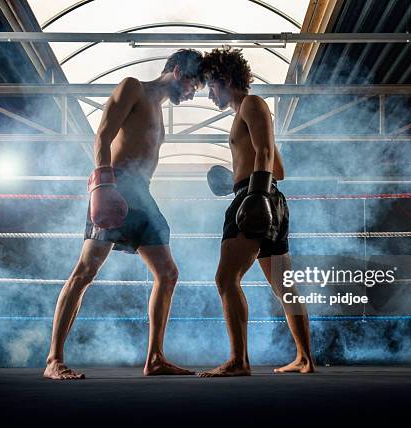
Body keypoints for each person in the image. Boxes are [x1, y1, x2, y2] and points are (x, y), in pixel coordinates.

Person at [44, 49, 204, 379]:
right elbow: (102, 134)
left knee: (168, 273)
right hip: (116, 185)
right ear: (176, 71)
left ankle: (155, 358)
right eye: (193, 84)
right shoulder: (133, 87)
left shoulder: (160, 115)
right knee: (86, 270)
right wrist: (102, 184)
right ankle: (53, 360)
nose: (193, 93)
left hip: (142, 197)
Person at [199, 48, 314, 377]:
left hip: (256, 196)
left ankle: (238, 360)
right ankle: (305, 358)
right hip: (264, 195)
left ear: (225, 80)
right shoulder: (249, 112)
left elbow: (264, 153)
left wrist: (253, 194)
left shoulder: (251, 104)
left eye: (211, 86)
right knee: (284, 287)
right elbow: (279, 167)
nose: (209, 94)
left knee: (225, 279)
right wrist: (237, 180)